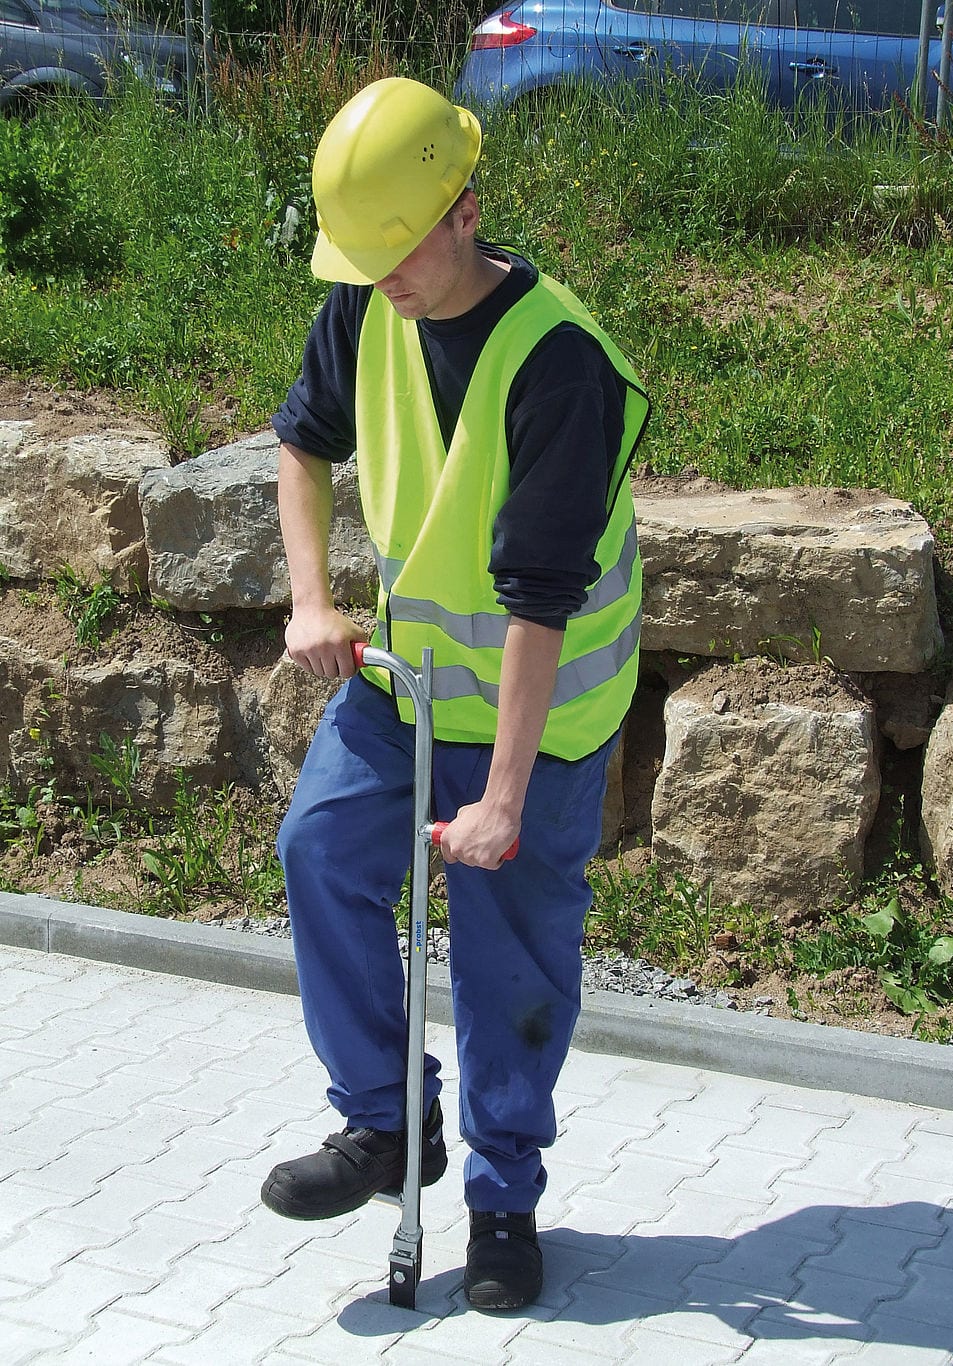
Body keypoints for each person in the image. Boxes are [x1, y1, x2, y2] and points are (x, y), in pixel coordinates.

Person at [261, 76, 650, 1312]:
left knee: (507, 962)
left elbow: (540, 600)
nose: (381, 282)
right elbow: (301, 442)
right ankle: (387, 1126)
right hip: (413, 685)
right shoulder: (369, 299)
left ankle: (502, 1200)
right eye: (361, 259)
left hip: (546, 714)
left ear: (465, 210)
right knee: (319, 845)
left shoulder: (559, 367)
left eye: (398, 254)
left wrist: (501, 799)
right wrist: (312, 598)